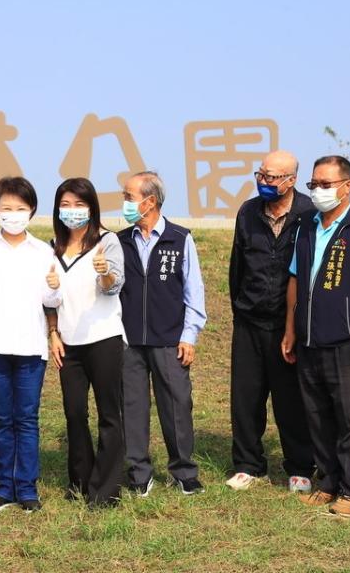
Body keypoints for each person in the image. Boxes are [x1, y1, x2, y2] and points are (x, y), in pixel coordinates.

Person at [281, 155, 350, 519]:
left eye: (326, 185)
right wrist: (290, 329)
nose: (318, 191)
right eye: (314, 184)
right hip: (310, 340)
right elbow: (295, 281)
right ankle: (328, 481)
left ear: (347, 187)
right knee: (318, 417)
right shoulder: (307, 228)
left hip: (349, 341)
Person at [0, 176, 61, 512]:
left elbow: (53, 298)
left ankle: (27, 489)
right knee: (2, 418)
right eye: (7, 208)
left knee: (27, 419)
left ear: (31, 211)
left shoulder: (43, 251)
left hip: (31, 348)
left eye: (20, 208)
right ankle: (4, 487)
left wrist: (53, 286)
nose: (13, 214)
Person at [227, 150, 315, 493]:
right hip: (249, 319)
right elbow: (238, 266)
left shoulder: (308, 213)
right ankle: (249, 464)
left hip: (289, 323)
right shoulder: (248, 211)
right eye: (260, 175)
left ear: (291, 180)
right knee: (245, 397)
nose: (264, 182)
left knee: (291, 398)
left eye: (272, 177)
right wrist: (239, 308)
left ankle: (300, 467)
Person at [119, 171, 207, 496]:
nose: (125, 203)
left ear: (149, 201)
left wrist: (189, 335)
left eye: (129, 196)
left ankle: (184, 472)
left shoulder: (180, 239)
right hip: (129, 342)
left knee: (177, 405)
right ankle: (139, 473)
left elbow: (193, 291)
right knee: (132, 407)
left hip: (170, 339)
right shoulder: (119, 240)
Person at [45, 178, 125, 508]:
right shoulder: (51, 247)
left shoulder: (108, 242)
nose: (73, 211)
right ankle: (79, 482)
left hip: (104, 339)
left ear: (92, 207)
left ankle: (105, 490)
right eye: (66, 204)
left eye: (80, 204)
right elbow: (48, 301)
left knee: (109, 414)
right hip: (69, 344)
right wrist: (53, 333)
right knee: (74, 412)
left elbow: (114, 286)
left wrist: (104, 271)